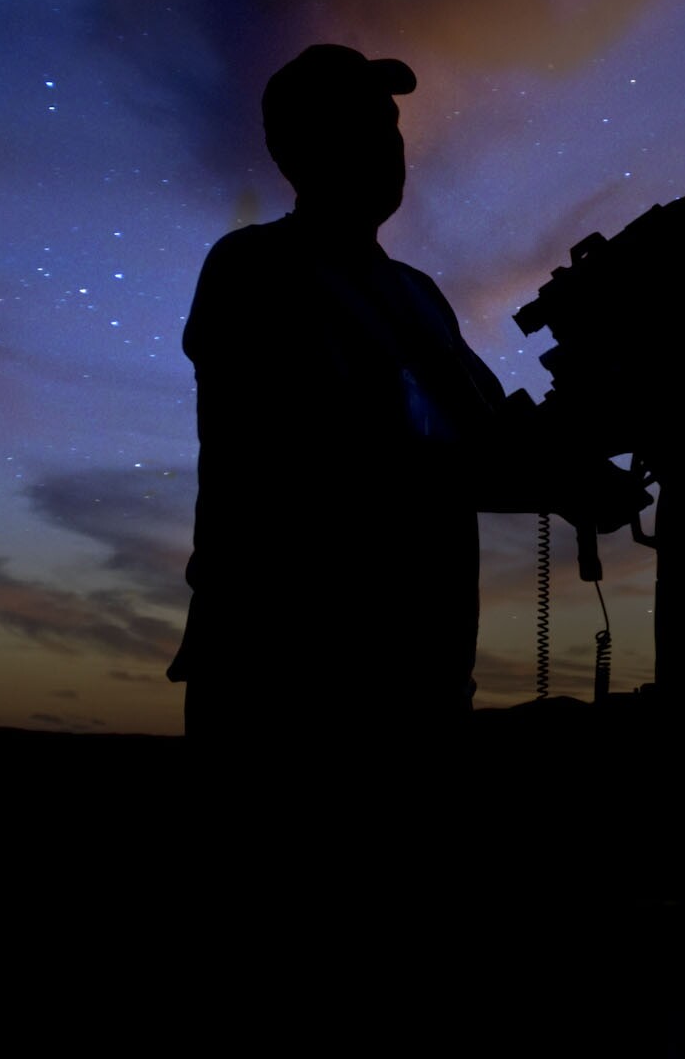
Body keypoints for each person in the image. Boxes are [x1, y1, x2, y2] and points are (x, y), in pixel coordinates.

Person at [169, 44, 565, 760]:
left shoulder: (418, 294)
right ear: (298, 149)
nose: (389, 141)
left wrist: (562, 459)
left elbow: (489, 436)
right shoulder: (253, 270)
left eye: (390, 123)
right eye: (361, 122)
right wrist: (547, 476)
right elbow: (330, 460)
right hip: (281, 691)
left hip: (423, 690)